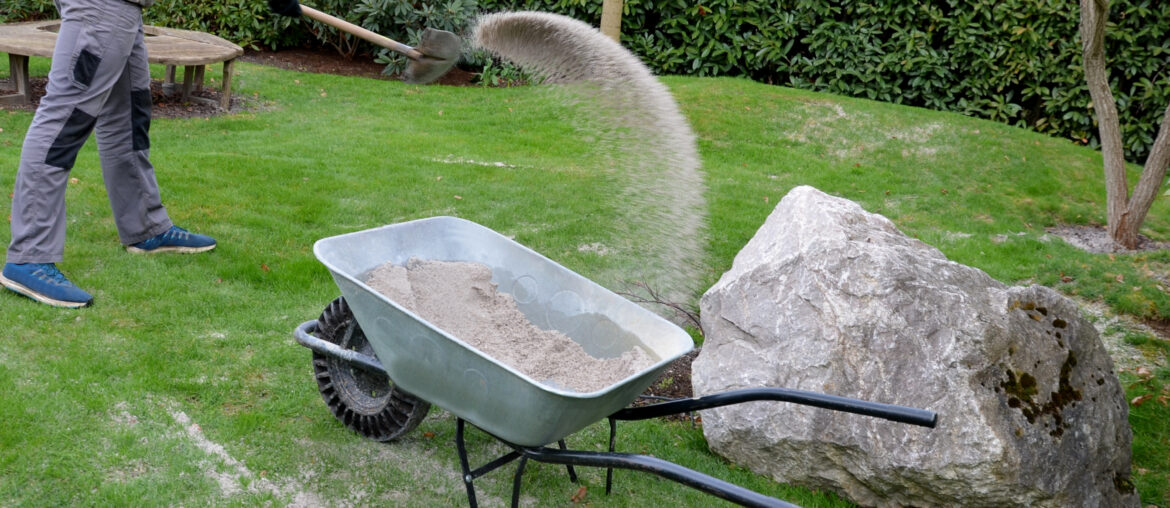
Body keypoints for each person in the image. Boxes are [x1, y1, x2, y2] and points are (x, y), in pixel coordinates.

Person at [1, 0, 216, 309]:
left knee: (129, 116)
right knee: (65, 118)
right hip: (102, 8)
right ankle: (29, 256)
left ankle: (145, 228)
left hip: (125, 9)